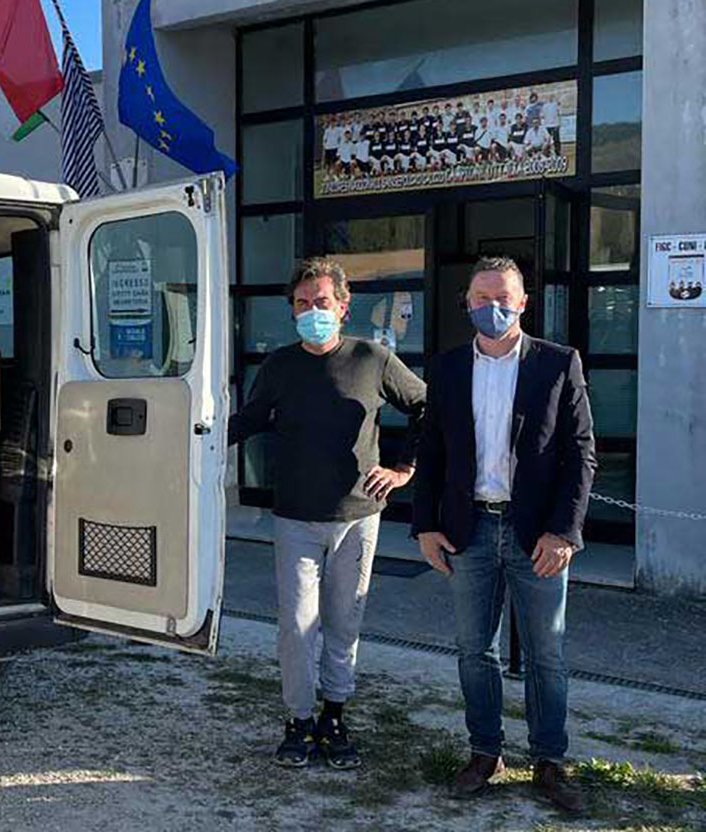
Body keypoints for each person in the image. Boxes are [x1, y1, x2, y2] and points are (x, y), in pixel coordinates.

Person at [412, 256, 596, 815]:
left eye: (503, 297)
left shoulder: (558, 363)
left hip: (535, 532)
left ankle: (548, 761)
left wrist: (564, 530)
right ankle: (485, 753)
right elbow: (432, 452)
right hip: (468, 532)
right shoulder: (444, 369)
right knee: (475, 652)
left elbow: (580, 453)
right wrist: (425, 526)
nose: (491, 307)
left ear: (522, 302)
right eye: (480, 297)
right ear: (466, 302)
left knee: (547, 655)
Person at [229, 257, 427, 771]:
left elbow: (428, 407)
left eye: (321, 302)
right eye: (301, 303)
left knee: (343, 625)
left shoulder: (372, 358)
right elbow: (247, 421)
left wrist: (406, 468)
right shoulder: (279, 367)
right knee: (297, 627)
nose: (311, 311)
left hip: (358, 517)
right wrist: (186, 431)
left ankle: (334, 717)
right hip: (295, 518)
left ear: (343, 306)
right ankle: (298, 721)